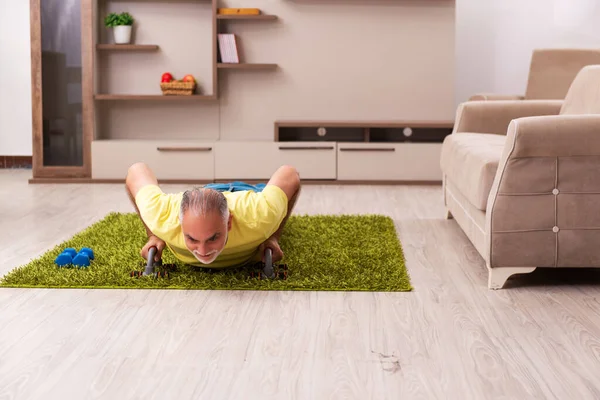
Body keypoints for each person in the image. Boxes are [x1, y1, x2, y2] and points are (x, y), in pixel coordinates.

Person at [125, 163, 301, 268]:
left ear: (229, 223)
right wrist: (153, 235)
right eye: (192, 239)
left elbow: (290, 174)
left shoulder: (260, 214)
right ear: (179, 223)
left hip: (247, 193)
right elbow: (136, 170)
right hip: (205, 193)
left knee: (272, 194)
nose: (203, 251)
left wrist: (273, 236)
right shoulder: (161, 215)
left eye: (212, 238)